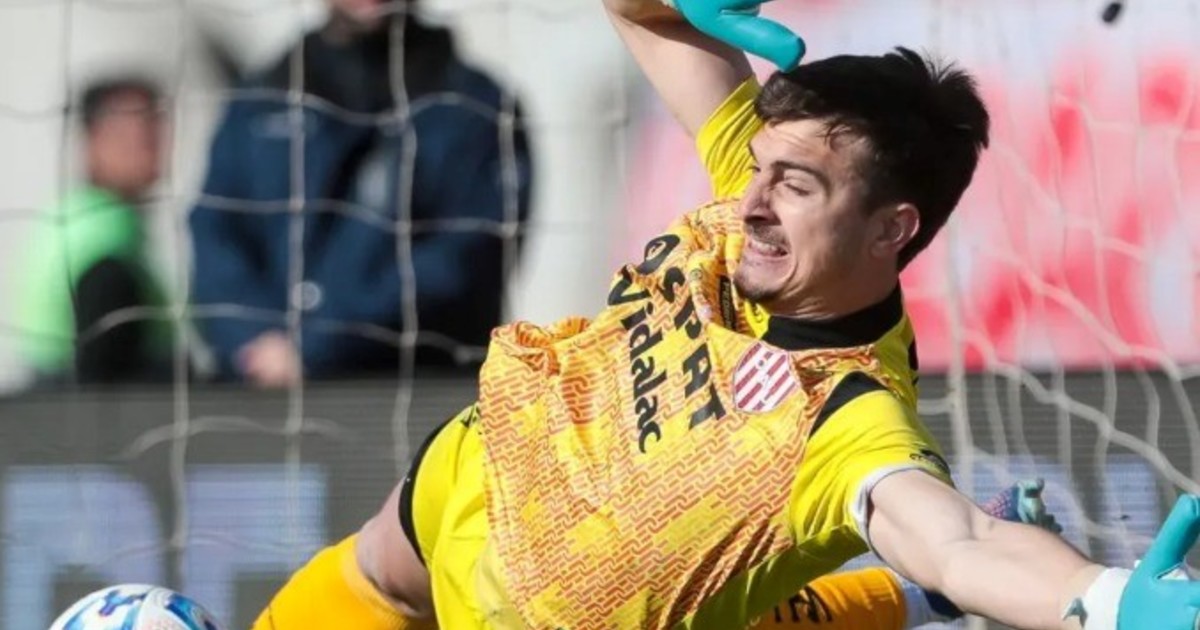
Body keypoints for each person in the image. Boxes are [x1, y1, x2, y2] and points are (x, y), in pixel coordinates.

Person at [251, 1, 1200, 629]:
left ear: (891, 228)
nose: (749, 203)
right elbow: (641, 17)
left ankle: (907, 601)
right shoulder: (754, 197)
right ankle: (907, 602)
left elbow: (962, 542)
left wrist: (1104, 599)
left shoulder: (848, 418)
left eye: (795, 186)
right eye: (757, 169)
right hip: (450, 491)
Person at [189, 0, 531, 387]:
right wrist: (254, 340)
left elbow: (466, 254)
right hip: (263, 389)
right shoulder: (261, 98)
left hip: (422, 389)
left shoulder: (477, 106)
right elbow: (214, 232)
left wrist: (317, 344)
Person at [15, 76, 170, 385]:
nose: (146, 145)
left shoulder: (71, 213)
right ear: (92, 139)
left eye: (154, 128)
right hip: (76, 399)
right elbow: (105, 367)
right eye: (128, 133)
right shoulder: (103, 233)